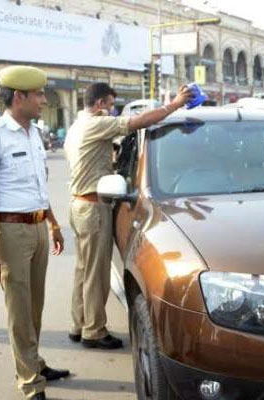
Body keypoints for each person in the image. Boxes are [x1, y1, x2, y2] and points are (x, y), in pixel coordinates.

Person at [64, 82, 192, 349]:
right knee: (96, 274)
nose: (112, 111)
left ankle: (79, 324)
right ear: (99, 104)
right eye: (110, 105)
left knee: (83, 270)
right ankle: (94, 331)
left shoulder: (76, 127)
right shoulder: (96, 124)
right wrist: (176, 104)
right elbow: (140, 121)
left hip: (79, 206)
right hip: (93, 207)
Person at [0, 65, 67, 400]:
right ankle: (29, 382)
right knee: (19, 309)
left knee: (34, 305)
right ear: (19, 97)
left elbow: (39, 186)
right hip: (10, 230)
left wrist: (52, 222)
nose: (43, 99)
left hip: (38, 225)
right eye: (38, 94)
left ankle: (34, 362)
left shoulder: (33, 133)